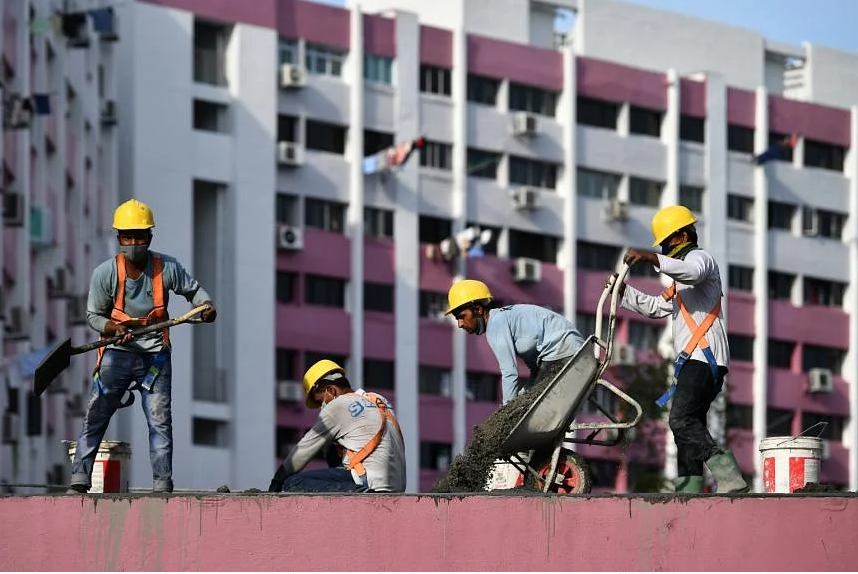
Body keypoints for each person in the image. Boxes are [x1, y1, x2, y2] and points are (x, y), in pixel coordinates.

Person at [68, 199, 217, 494]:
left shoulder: (167, 268)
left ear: (149, 237)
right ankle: (80, 478)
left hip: (155, 358)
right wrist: (115, 327)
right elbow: (93, 316)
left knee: (160, 421)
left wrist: (206, 305)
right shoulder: (105, 274)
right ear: (119, 238)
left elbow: (195, 292)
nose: (133, 243)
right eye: (127, 237)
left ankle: (162, 483)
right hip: (117, 354)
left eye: (139, 237)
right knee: (96, 414)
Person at [617, 204, 749, 494]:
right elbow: (654, 307)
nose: (664, 249)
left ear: (680, 236)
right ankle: (689, 488)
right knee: (687, 427)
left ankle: (729, 477)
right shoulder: (681, 284)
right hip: (694, 361)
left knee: (681, 420)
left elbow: (692, 272)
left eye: (665, 243)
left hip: (704, 360)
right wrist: (623, 291)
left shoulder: (700, 261)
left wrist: (653, 258)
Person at [268, 359, 407, 493]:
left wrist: (277, 480)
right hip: (396, 486)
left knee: (292, 483)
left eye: (321, 401)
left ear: (331, 391)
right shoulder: (378, 399)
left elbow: (302, 451)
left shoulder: (338, 405)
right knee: (332, 451)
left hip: (370, 483)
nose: (322, 407)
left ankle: (358, 493)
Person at [445, 279, 586, 404]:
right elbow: (536, 371)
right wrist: (520, 397)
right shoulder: (506, 319)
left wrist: (506, 413)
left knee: (534, 404)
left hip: (563, 351)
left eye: (462, 316)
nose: (460, 324)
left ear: (478, 309)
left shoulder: (496, 324)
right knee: (526, 400)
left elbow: (509, 373)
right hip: (573, 350)